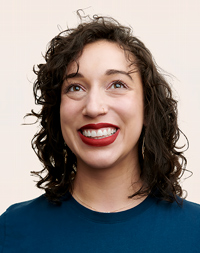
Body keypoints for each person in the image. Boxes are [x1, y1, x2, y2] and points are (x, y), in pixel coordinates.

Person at [0, 14, 200, 252]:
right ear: (58, 112)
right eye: (75, 87)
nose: (94, 107)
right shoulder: (12, 230)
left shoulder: (195, 232)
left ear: (147, 108)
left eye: (117, 84)